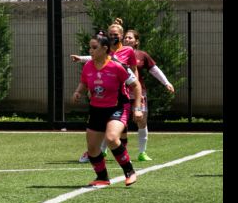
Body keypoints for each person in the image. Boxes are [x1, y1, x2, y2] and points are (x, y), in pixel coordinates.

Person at [72, 34, 142, 187]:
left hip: (118, 107)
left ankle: (129, 171)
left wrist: (137, 108)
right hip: (96, 109)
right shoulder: (88, 66)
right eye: (90, 48)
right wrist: (78, 92)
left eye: (94, 47)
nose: (90, 51)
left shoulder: (117, 66)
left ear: (105, 49)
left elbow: (136, 85)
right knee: (92, 148)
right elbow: (84, 82)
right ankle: (102, 177)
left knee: (111, 138)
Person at [122, 29, 176, 161]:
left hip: (139, 93)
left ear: (136, 41)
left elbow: (154, 70)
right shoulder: (117, 53)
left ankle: (142, 153)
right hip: (121, 92)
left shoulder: (142, 55)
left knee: (142, 121)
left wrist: (166, 82)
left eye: (130, 38)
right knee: (117, 122)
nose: (127, 40)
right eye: (125, 37)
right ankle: (105, 149)